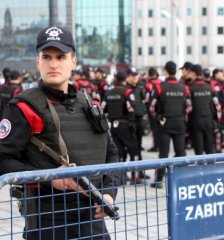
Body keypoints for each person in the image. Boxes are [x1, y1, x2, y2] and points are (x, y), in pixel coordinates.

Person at [0, 26, 120, 240]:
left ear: (73, 61)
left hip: (92, 217)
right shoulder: (23, 108)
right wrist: (51, 179)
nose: (53, 64)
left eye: (61, 57)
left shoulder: (90, 104)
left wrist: (109, 193)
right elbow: (3, 160)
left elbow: (111, 154)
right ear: (37, 61)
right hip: (48, 219)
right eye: (46, 56)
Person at [149, 61, 192, 188]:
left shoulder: (159, 87)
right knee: (181, 151)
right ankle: (182, 178)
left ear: (166, 71)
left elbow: (152, 107)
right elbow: (189, 107)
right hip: (179, 122)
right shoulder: (184, 87)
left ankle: (159, 181)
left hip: (164, 122)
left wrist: (157, 117)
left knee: (163, 153)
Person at [104, 71, 141, 185]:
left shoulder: (108, 93)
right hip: (126, 125)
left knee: (118, 152)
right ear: (125, 79)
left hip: (114, 126)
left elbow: (103, 108)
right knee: (133, 150)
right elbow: (131, 108)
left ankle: (120, 178)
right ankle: (135, 177)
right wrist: (132, 122)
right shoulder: (128, 92)